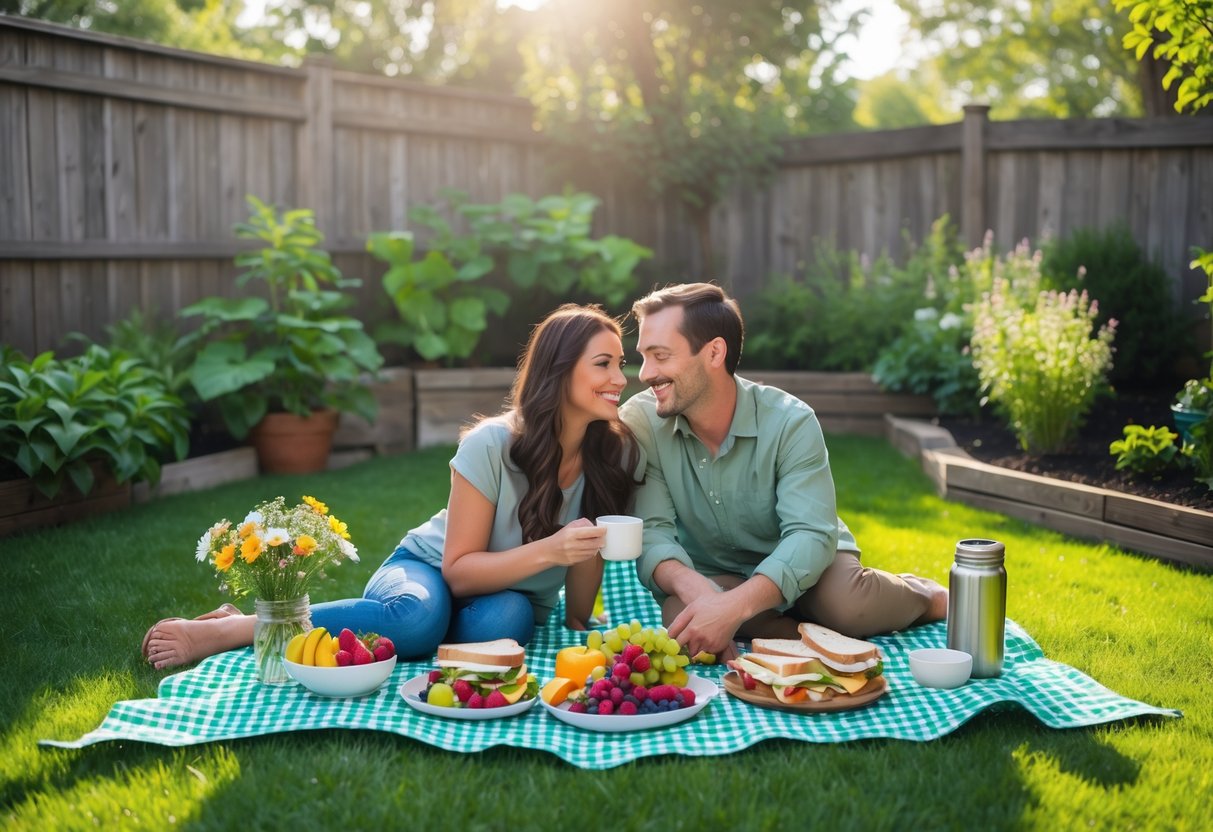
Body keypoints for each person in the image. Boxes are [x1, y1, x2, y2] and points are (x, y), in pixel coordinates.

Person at [143, 304, 642, 670]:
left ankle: (416, 630)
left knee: (507, 625)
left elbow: (583, 562)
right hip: (426, 571)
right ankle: (234, 627)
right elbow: (460, 571)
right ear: (559, 371)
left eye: (620, 363)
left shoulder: (608, 451)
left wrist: (580, 621)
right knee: (414, 620)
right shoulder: (492, 444)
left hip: (505, 599)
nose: (620, 377)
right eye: (604, 363)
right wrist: (552, 551)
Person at [617, 282, 947, 662]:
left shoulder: (791, 421)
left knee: (846, 606)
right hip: (718, 573)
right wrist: (702, 593)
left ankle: (926, 596)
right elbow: (654, 531)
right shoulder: (641, 421)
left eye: (660, 356)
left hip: (813, 565)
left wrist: (735, 607)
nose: (644, 374)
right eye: (643, 356)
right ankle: (795, 633)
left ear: (713, 352)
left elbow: (809, 535)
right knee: (680, 612)